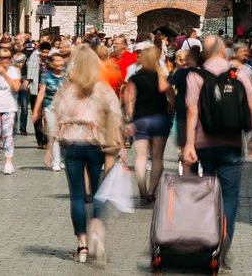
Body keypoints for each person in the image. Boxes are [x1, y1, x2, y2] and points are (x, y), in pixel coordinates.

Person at [182, 34, 252, 266]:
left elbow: (192, 111)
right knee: (229, 197)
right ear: (222, 50)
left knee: (207, 196)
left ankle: (208, 245)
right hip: (232, 145)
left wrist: (189, 144)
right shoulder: (238, 73)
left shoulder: (195, 75)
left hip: (204, 146)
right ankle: (223, 247)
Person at [50, 45, 122, 264]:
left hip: (72, 143)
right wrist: (118, 144)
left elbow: (53, 114)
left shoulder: (66, 89)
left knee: (77, 196)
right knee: (99, 192)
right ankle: (97, 231)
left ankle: (82, 245)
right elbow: (115, 115)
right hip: (95, 143)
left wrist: (51, 144)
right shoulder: (102, 88)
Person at [123, 44, 172, 201]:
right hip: (160, 118)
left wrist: (130, 120)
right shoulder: (160, 78)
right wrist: (171, 112)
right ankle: (151, 191)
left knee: (141, 157)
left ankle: (142, 189)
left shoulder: (134, 79)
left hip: (141, 120)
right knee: (157, 157)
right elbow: (171, 97)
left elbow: (129, 101)